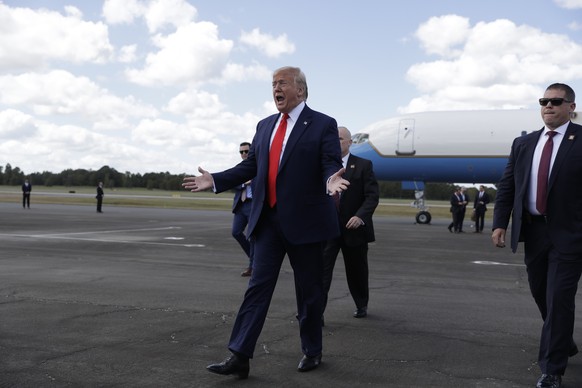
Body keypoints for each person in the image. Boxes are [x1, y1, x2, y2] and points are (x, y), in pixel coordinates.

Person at [183, 66, 349, 378]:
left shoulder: (323, 124)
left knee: (310, 293)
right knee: (257, 288)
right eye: (273, 84)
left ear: (299, 90)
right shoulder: (265, 125)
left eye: (282, 83)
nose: (276, 88)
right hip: (268, 222)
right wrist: (215, 180)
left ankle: (312, 349)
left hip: (306, 223)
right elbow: (251, 166)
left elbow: (329, 162)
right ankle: (240, 355)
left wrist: (331, 181)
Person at [492, 83, 581, 388]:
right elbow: (508, 186)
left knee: (559, 299)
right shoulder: (524, 143)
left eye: (556, 101)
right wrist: (499, 223)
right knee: (541, 293)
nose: (548, 106)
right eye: (544, 101)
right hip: (534, 231)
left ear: (571, 107)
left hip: (571, 234)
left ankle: (551, 369)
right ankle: (562, 338)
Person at [322, 126, 379, 321]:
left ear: (349, 142)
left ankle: (361, 304)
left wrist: (360, 216)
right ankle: (315, 312)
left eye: (339, 139)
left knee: (357, 271)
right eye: (332, 139)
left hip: (354, 229)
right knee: (321, 272)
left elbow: (372, 197)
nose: (335, 142)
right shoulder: (322, 166)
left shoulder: (364, 165)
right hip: (327, 229)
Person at [232, 142, 254, 277]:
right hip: (241, 205)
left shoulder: (260, 166)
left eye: (246, 151)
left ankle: (253, 266)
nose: (244, 154)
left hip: (254, 204)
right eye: (241, 152)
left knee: (254, 236)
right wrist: (243, 183)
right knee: (236, 232)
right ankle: (255, 259)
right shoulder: (239, 168)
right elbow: (232, 182)